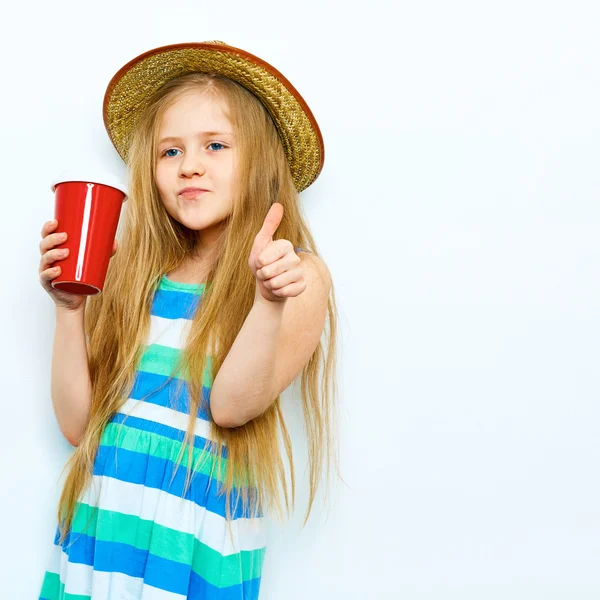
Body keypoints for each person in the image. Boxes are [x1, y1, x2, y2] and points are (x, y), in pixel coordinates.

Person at [37, 41, 339, 600]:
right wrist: (69, 310)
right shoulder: (136, 268)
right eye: (169, 152)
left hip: (192, 538)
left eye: (216, 145)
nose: (189, 165)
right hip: (105, 523)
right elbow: (79, 426)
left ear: (262, 160)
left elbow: (229, 406)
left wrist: (267, 302)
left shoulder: (296, 276)